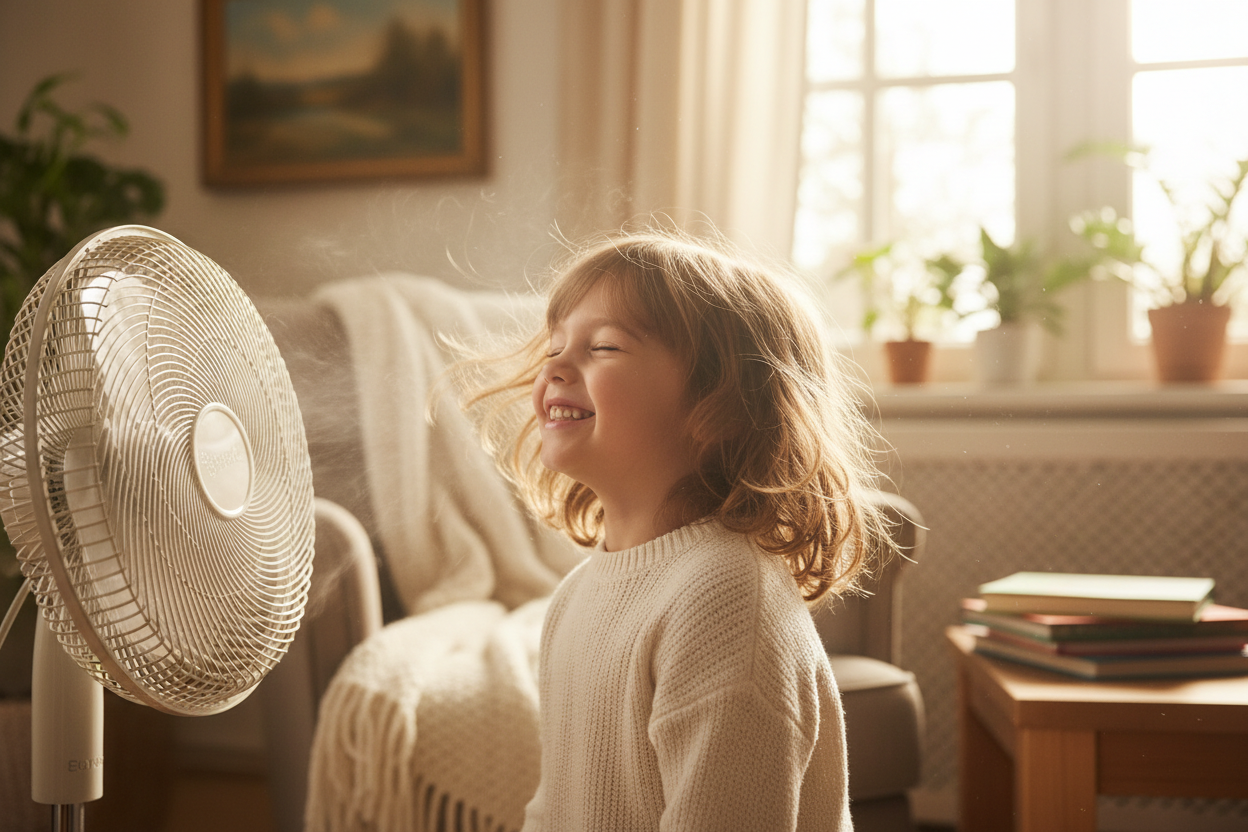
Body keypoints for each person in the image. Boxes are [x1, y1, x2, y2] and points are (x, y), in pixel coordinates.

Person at [463, 229, 897, 831]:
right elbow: (555, 809)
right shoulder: (576, 596)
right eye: (557, 343)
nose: (555, 364)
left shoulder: (726, 599)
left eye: (605, 347)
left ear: (718, 406)